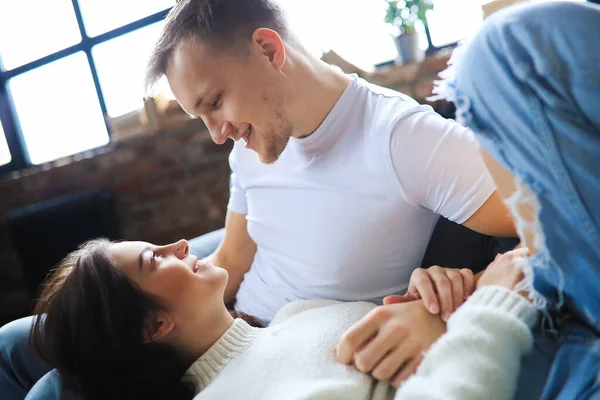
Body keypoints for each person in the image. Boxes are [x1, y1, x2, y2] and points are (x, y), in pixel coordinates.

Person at [0, 0, 518, 397]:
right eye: (198, 116)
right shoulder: (253, 145)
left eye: (214, 103)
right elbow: (231, 260)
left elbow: (555, 228)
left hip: (300, 351)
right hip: (222, 334)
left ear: (270, 51)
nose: (216, 135)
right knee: (13, 344)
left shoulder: (401, 139)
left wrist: (444, 308)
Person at [335, 1, 600, 399]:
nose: (485, 156)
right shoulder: (559, 277)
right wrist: (453, 299)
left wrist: (482, 311)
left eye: (490, 132)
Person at [25, 237, 536, 400]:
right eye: (154, 260)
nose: (181, 243)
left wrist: (445, 299)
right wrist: (492, 310)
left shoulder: (299, 313)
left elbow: (432, 344)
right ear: (153, 326)